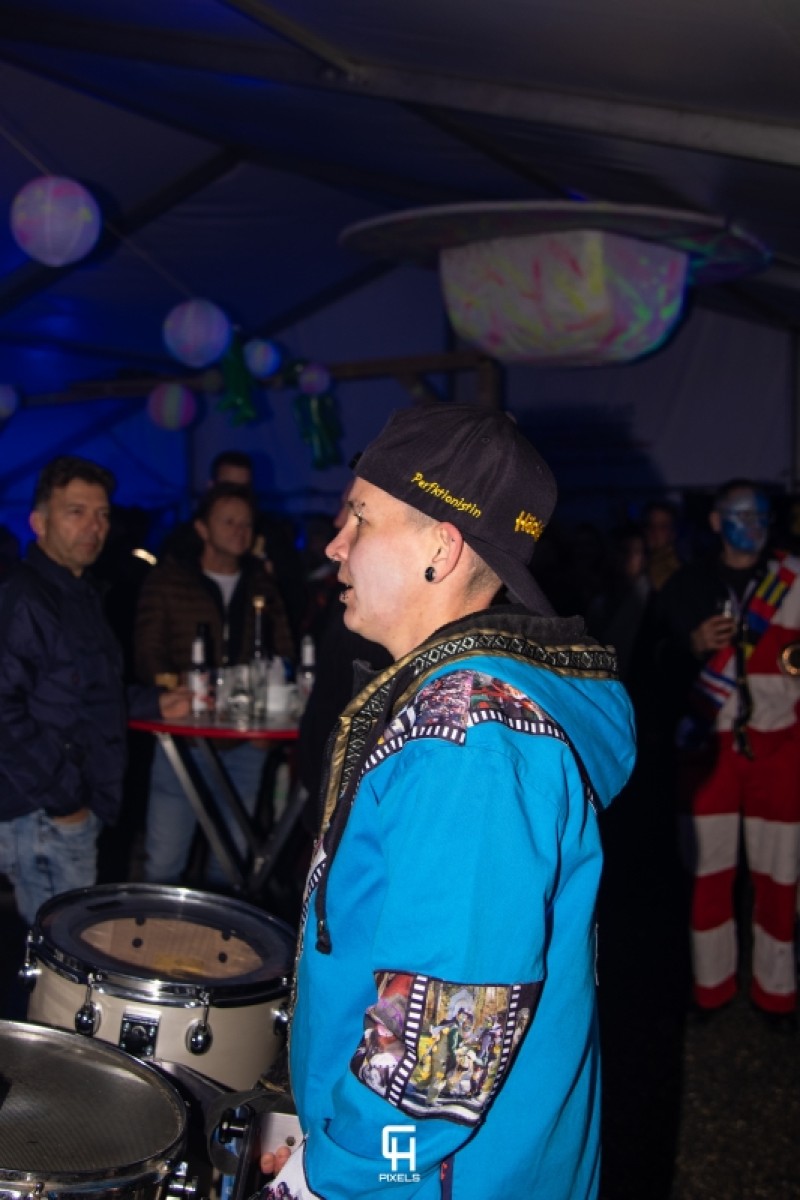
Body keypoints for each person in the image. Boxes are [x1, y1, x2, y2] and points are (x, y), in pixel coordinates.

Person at [260, 405, 636, 1199]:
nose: (334, 544)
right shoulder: (461, 705)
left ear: (441, 546)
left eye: (360, 518)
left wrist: (338, 1174)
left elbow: (439, 1058)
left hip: (436, 1176)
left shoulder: (469, 744)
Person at [0, 456, 189, 927]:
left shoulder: (77, 592)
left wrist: (153, 702)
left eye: (102, 514)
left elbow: (83, 691)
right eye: (76, 512)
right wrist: (63, 797)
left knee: (68, 946)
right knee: (60, 953)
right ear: (39, 522)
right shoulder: (27, 597)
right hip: (45, 814)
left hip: (70, 804)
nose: (94, 526)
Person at [657, 480, 800, 1029]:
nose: (754, 525)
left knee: (779, 878)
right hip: (706, 748)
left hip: (780, 747)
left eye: (761, 514)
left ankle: (776, 993)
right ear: (717, 522)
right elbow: (653, 662)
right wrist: (691, 647)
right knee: (707, 875)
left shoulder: (792, 578)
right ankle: (711, 988)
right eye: (742, 515)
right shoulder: (687, 584)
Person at [135, 482, 295, 885]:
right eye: (229, 522)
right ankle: (158, 926)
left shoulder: (261, 583)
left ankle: (217, 927)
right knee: (164, 862)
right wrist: (174, 697)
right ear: (202, 528)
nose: (240, 531)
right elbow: (148, 652)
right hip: (183, 739)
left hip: (245, 739)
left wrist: (270, 718)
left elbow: (283, 652)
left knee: (231, 865)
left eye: (246, 523)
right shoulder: (169, 579)